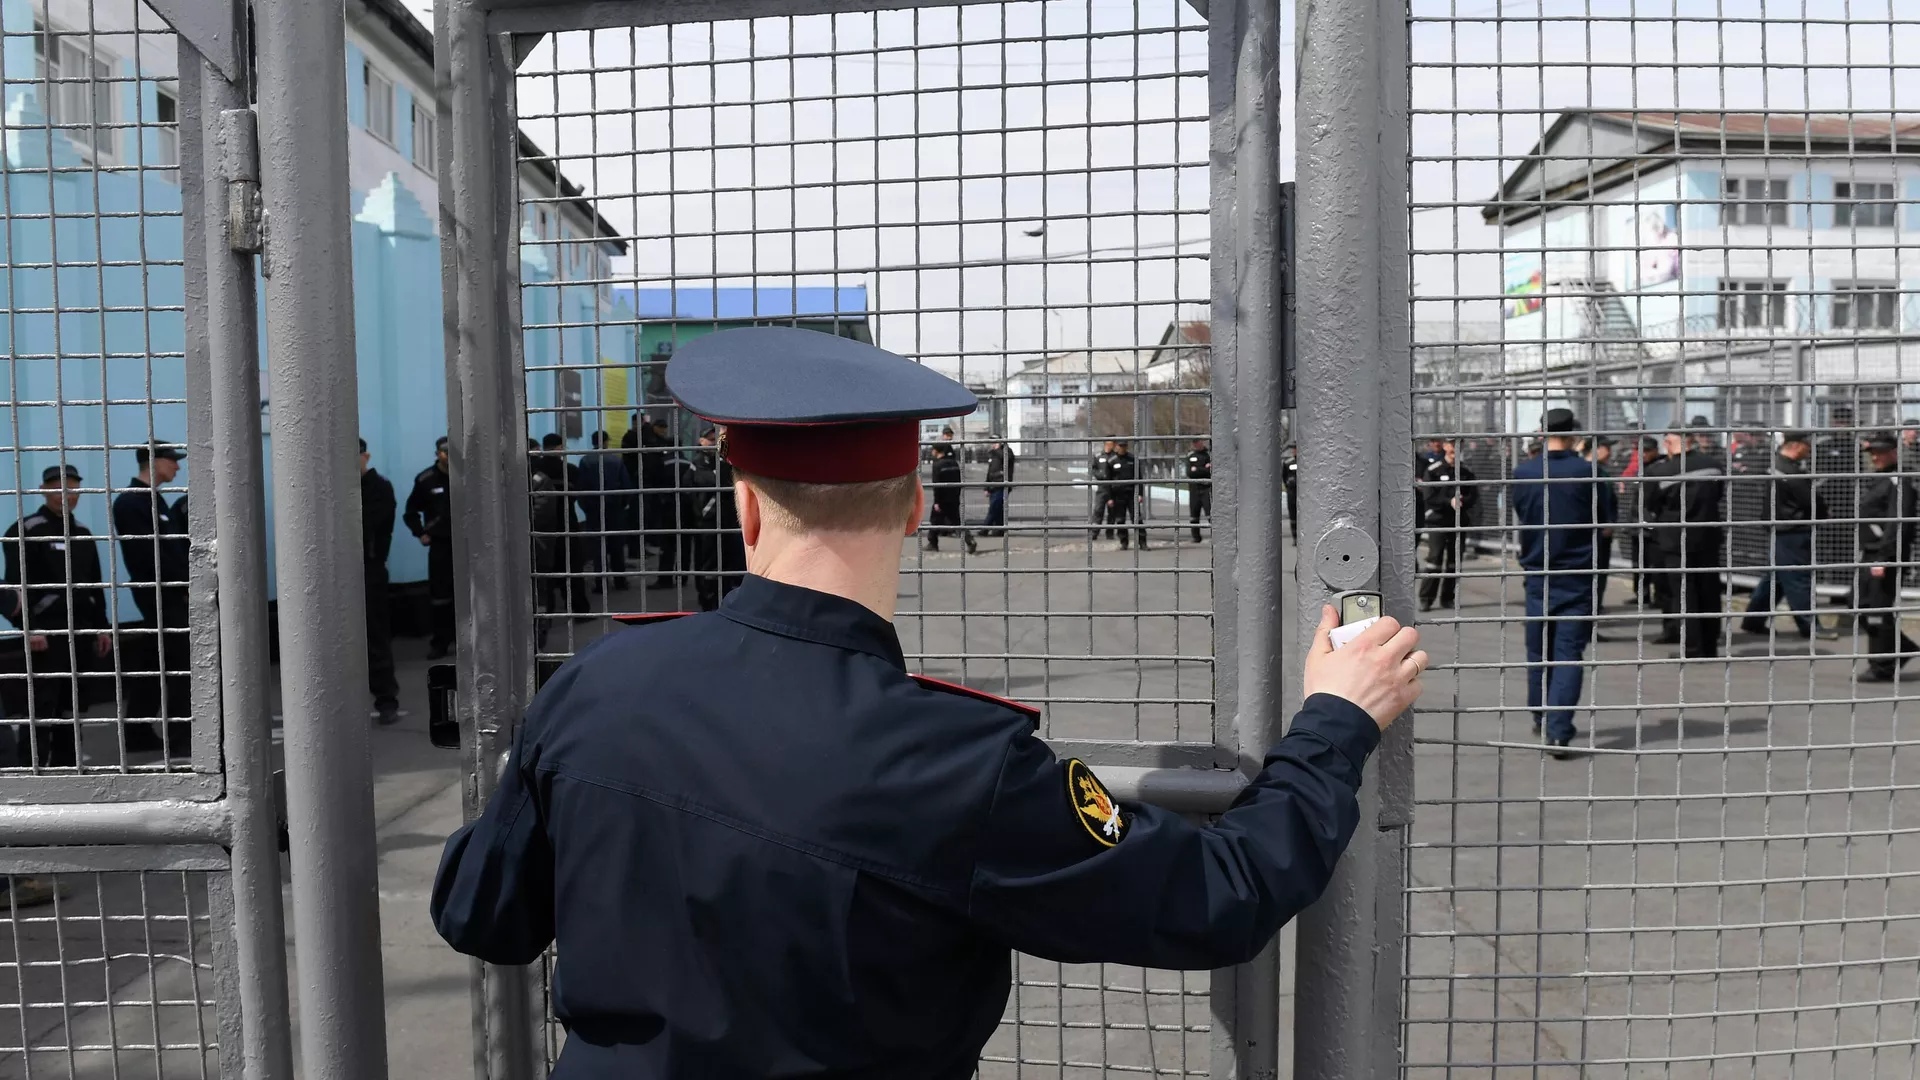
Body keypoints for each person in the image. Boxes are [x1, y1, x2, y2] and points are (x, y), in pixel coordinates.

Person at [431, 326, 1427, 1076]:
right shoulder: (956, 762)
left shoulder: (598, 683)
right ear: (915, 504)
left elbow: (481, 914)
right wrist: (1334, 722)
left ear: (743, 506)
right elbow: (1222, 895)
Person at [1508, 409, 1615, 757]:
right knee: (1568, 652)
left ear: (1541, 433)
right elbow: (1605, 523)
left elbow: (1523, 514)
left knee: (1538, 650)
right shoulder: (1589, 473)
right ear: (1574, 435)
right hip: (1578, 573)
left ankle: (1541, 715)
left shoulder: (1524, 473)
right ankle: (1558, 730)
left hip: (1538, 571)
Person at [2, 465, 112, 767]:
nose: (66, 494)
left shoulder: (82, 533)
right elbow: (15, 588)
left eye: (73, 488)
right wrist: (30, 628)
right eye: (58, 487)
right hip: (47, 633)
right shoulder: (26, 530)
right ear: (43, 490)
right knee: (42, 702)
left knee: (73, 701)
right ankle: (31, 765)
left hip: (81, 628)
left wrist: (102, 628)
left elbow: (94, 585)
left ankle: (68, 764)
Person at [110, 442, 192, 753]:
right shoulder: (131, 503)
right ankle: (182, 737)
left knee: (155, 662)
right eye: (173, 460)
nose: (177, 467)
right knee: (181, 665)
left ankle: (137, 732)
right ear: (154, 461)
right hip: (160, 594)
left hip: (169, 592)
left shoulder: (154, 500)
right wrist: (182, 583)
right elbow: (148, 555)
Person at [1645, 423, 1729, 658]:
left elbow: (1651, 504)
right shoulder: (1714, 466)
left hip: (1676, 539)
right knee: (1709, 592)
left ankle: (1692, 647)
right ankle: (1710, 647)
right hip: (1708, 536)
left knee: (1684, 593)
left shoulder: (1659, 472)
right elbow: (1718, 495)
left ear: (1669, 443)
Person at [1739, 431, 1817, 641]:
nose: (1809, 449)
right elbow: (1809, 500)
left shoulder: (1776, 466)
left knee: (1775, 579)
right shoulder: (1788, 470)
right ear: (1796, 445)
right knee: (1797, 578)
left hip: (1781, 528)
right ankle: (1810, 626)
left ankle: (1753, 621)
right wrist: (1823, 512)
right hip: (1792, 529)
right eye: (1807, 444)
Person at [1856, 431, 1917, 681]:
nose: (1875, 457)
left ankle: (1882, 666)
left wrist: (1884, 558)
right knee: (1859, 603)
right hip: (1870, 552)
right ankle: (1901, 648)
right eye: (1873, 453)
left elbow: (1897, 524)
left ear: (1893, 452)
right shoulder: (1880, 478)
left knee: (1877, 609)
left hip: (1884, 555)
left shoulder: (1898, 481)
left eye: (1880, 452)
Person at [404, 436, 455, 659]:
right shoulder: (426, 479)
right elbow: (411, 512)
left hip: (469, 544)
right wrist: (420, 533)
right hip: (441, 545)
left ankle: (471, 640)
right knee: (440, 596)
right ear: (437, 454)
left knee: (472, 593)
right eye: (444, 451)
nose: (448, 455)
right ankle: (441, 642)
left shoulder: (468, 476)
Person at [687, 426, 746, 611]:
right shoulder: (697, 463)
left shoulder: (725, 461)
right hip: (706, 523)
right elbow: (703, 482)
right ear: (701, 441)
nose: (713, 443)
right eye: (710, 439)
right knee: (707, 565)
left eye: (716, 439)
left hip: (728, 522)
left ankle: (725, 599)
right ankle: (708, 602)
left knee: (730, 562)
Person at [1417, 439, 1477, 612]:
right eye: (1451, 444)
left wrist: (1463, 501)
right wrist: (1448, 501)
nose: (1455, 448)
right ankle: (1426, 598)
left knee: (1454, 561)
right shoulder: (1434, 470)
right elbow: (1429, 496)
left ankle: (1447, 598)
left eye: (1459, 445)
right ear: (1445, 446)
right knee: (1434, 559)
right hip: (1438, 521)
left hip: (1458, 522)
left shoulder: (1466, 472)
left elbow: (1473, 496)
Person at [579, 431, 633, 593]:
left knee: (598, 547)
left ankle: (601, 583)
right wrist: (623, 505)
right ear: (606, 442)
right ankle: (620, 581)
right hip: (614, 507)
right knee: (616, 545)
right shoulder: (616, 460)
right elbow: (626, 485)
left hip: (594, 509)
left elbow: (581, 487)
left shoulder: (585, 461)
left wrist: (586, 507)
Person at [924, 442, 977, 554]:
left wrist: (937, 501)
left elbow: (936, 484)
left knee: (935, 520)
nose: (932, 451)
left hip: (942, 498)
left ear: (936, 451)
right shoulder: (954, 463)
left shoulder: (937, 464)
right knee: (956, 521)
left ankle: (933, 543)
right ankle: (969, 540)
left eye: (933, 449)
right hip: (953, 497)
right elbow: (959, 481)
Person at [1109, 440, 1147, 550]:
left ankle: (1142, 542)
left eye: (1124, 446)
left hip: (1132, 494)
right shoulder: (1112, 461)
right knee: (1120, 520)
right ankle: (1124, 542)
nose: (1122, 448)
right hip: (1118, 495)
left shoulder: (1133, 459)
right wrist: (1110, 498)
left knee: (1137, 519)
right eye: (1120, 446)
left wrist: (1140, 494)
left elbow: (1139, 478)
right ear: (1117, 447)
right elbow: (1108, 481)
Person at [982, 437, 1015, 537]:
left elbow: (1007, 458)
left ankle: (985, 529)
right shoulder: (993, 454)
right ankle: (999, 529)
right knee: (998, 508)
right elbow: (989, 472)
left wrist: (997, 449)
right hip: (993, 485)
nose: (993, 444)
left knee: (994, 508)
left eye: (995, 442)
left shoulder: (1006, 451)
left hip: (1002, 484)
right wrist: (986, 487)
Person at [1089, 439, 1118, 540]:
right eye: (1110, 444)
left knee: (1112, 512)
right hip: (1102, 488)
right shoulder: (1098, 456)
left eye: (1113, 444)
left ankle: (1110, 533)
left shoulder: (1115, 456)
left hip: (1113, 487)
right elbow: (1093, 469)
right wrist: (1100, 475)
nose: (1111, 446)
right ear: (1105, 444)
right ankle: (1094, 532)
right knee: (1098, 510)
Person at [1184, 437, 1212, 543]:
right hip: (1194, 489)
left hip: (1206, 488)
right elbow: (1190, 473)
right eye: (1195, 443)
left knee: (1210, 513)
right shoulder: (1191, 456)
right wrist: (1204, 468)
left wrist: (1197, 469)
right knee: (1194, 514)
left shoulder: (1208, 455)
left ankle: (1215, 535)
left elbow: (1210, 471)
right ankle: (1196, 537)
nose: (1197, 445)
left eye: (1198, 442)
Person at [1283, 444, 1300, 542]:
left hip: (1300, 492)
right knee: (1293, 516)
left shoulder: (1304, 462)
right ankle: (1295, 538)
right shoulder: (1288, 463)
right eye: (1294, 449)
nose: (1295, 451)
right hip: (1292, 492)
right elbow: (1284, 477)